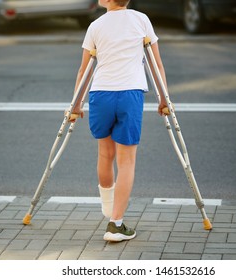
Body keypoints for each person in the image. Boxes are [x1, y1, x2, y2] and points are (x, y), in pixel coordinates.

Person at [68, 0, 169, 242]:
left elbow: (84, 71)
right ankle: (116, 222)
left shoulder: (96, 26)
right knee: (126, 160)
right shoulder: (141, 20)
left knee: (105, 154)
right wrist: (164, 98)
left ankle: (107, 207)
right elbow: (156, 65)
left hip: (100, 94)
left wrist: (76, 105)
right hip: (129, 93)